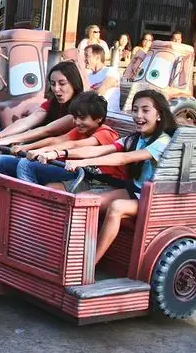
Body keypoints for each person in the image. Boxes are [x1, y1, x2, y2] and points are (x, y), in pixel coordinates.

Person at [62, 90, 179, 264]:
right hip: (134, 192)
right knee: (84, 200)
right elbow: (100, 149)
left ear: (159, 115)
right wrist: (59, 152)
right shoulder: (134, 138)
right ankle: (70, 255)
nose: (138, 115)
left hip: (153, 200)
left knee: (117, 207)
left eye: (145, 110)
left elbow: (125, 158)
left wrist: (84, 163)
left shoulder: (163, 141)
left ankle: (89, 265)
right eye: (135, 109)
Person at [0, 61, 84, 177]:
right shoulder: (51, 104)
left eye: (62, 83)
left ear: (74, 83)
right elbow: (28, 120)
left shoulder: (80, 110)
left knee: (25, 165)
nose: (56, 89)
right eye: (53, 84)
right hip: (44, 157)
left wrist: (5, 141)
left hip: (67, 163)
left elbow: (47, 130)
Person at [14, 92, 127, 191]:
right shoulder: (81, 130)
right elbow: (57, 140)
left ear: (99, 118)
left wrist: (44, 152)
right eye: (75, 117)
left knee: (26, 165)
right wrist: (27, 148)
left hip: (100, 181)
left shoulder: (106, 133)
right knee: (2, 161)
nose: (77, 122)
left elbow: (75, 145)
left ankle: (28, 208)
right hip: (80, 172)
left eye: (82, 118)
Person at [85, 43, 121, 112]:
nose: (85, 59)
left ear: (97, 57)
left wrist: (89, 91)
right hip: (92, 114)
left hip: (110, 114)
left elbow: (100, 92)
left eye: (87, 56)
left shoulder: (110, 71)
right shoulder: (88, 76)